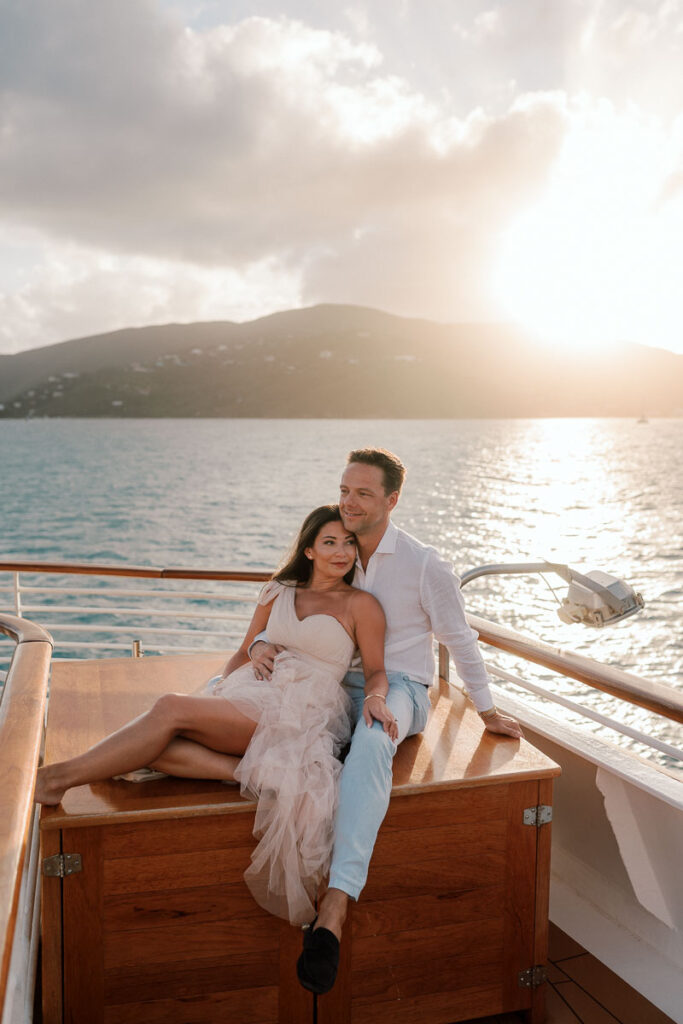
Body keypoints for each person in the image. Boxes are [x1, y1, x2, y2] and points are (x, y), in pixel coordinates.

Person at [35, 504, 397, 927]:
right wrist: (226, 687)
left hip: (303, 710)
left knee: (169, 709)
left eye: (349, 542)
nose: (341, 552)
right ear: (309, 550)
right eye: (329, 542)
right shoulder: (277, 591)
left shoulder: (361, 604)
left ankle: (56, 779)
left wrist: (376, 697)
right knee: (155, 746)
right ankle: (258, 772)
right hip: (255, 692)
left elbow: (375, 670)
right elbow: (243, 651)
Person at [249, 448, 524, 994]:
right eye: (345, 490)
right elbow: (289, 602)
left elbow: (459, 641)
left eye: (363, 494)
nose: (348, 502)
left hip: (397, 686)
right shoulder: (338, 548)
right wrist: (260, 643)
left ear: (392, 501)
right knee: (261, 727)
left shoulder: (424, 564)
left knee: (373, 743)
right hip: (326, 680)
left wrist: (487, 711)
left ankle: (336, 904)